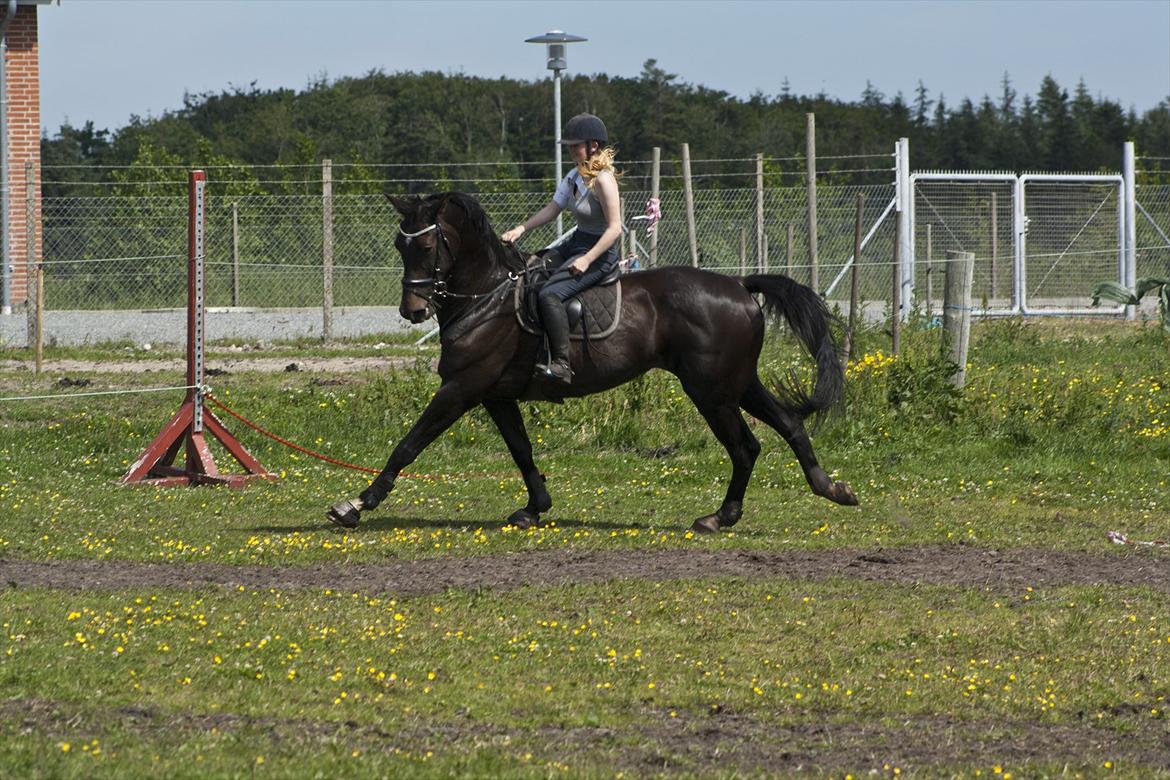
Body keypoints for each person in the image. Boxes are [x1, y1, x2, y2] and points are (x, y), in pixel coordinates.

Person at [501, 113, 622, 386]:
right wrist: (521, 228)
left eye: (575, 146)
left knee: (550, 294)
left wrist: (587, 259)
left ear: (593, 145)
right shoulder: (574, 176)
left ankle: (561, 364)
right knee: (532, 268)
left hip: (599, 253)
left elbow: (615, 228)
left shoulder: (603, 180)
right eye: (569, 146)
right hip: (576, 242)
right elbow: (553, 209)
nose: (570, 150)